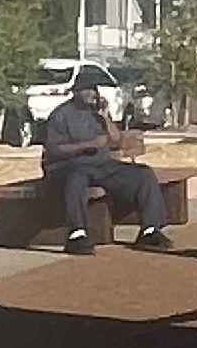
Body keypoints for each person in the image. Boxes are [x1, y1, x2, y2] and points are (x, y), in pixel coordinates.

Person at [35, 64, 171, 251]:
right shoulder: (61, 115)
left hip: (101, 165)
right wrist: (88, 145)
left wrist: (106, 116)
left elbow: (115, 140)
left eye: (94, 89)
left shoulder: (96, 113)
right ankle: (77, 234)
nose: (92, 93)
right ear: (76, 91)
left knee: (144, 175)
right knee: (76, 179)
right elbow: (53, 150)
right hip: (69, 166)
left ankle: (149, 230)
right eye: (88, 89)